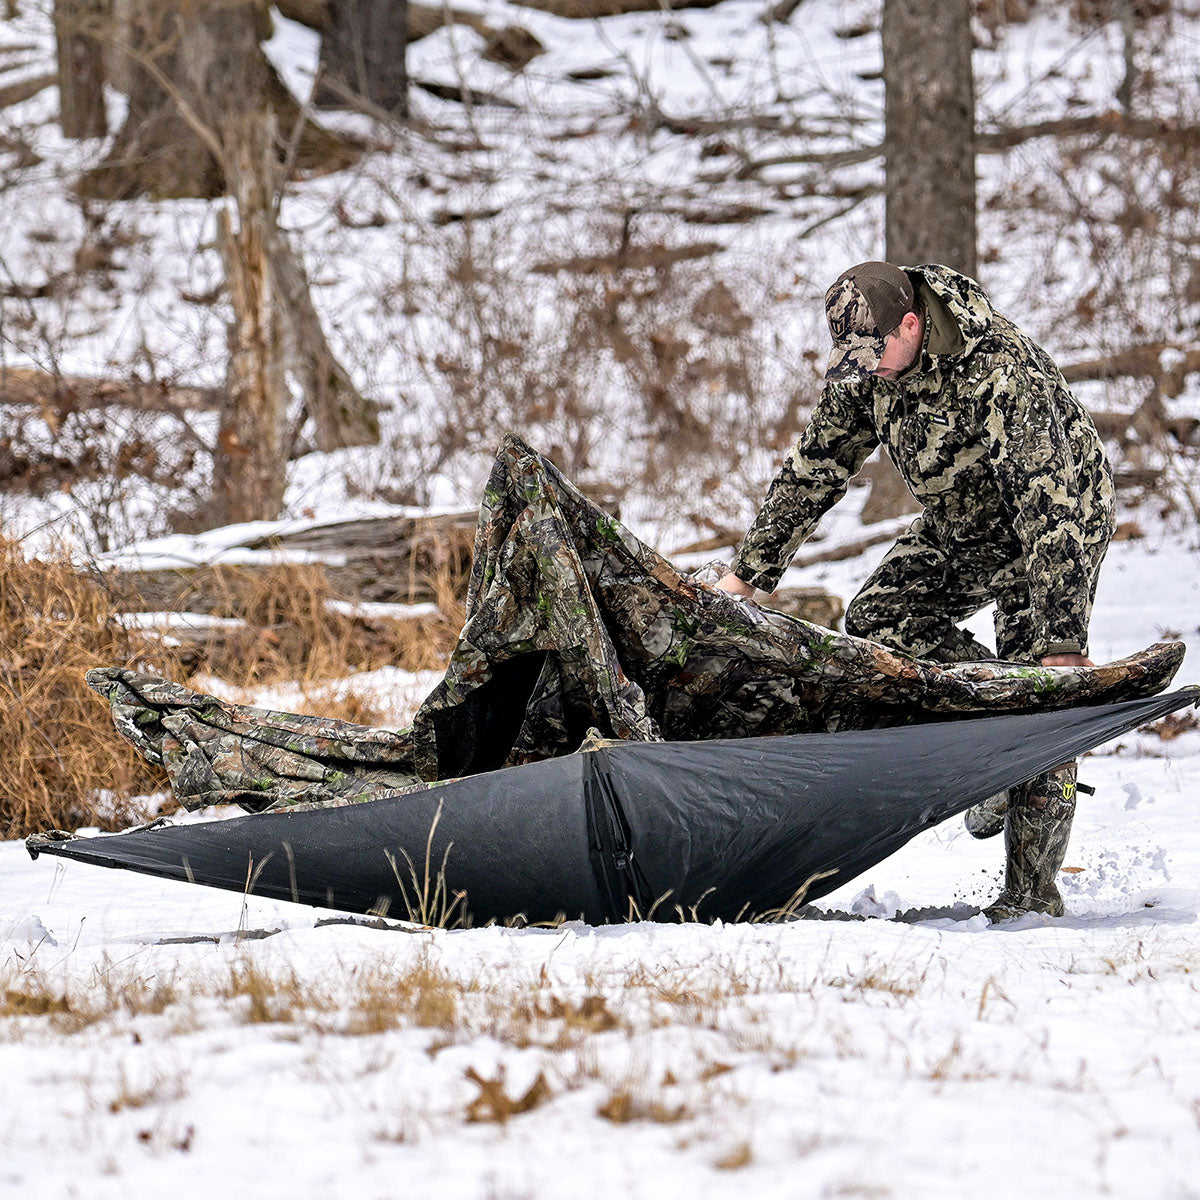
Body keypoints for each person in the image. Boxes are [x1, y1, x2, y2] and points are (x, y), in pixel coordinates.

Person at [715, 261, 1115, 922]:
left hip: (1053, 523)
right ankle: (998, 717)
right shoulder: (870, 366)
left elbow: (1055, 509)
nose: (868, 368)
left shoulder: (1000, 370)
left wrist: (1062, 643)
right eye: (855, 357)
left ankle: (1031, 894)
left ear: (912, 322)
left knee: (1045, 688)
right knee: (877, 615)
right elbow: (815, 465)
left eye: (877, 352)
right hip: (965, 519)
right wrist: (749, 574)